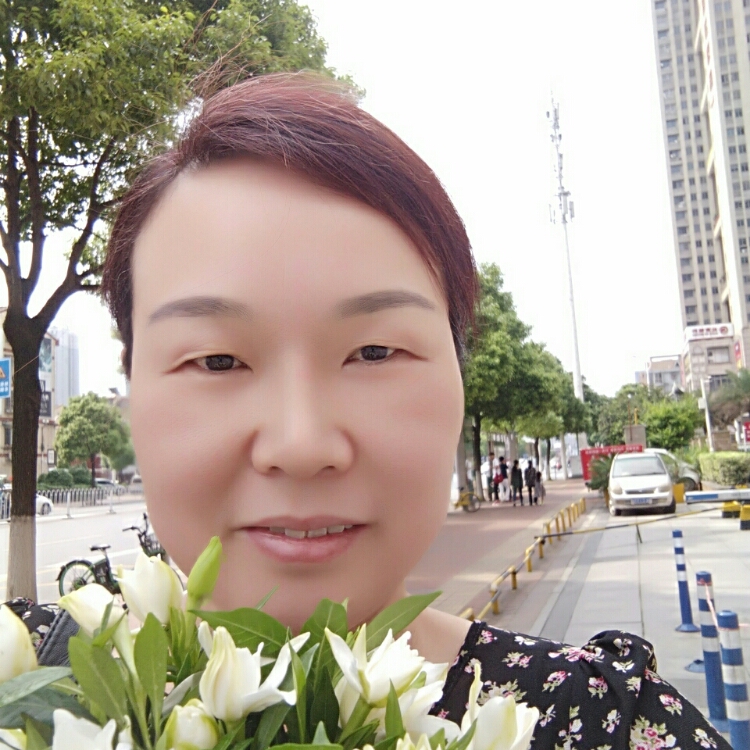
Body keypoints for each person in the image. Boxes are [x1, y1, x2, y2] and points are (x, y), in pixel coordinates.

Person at [6, 73, 729, 749]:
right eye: (218, 361)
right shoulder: (24, 679)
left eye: (375, 352)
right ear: (132, 385)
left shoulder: (601, 724)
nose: (300, 445)